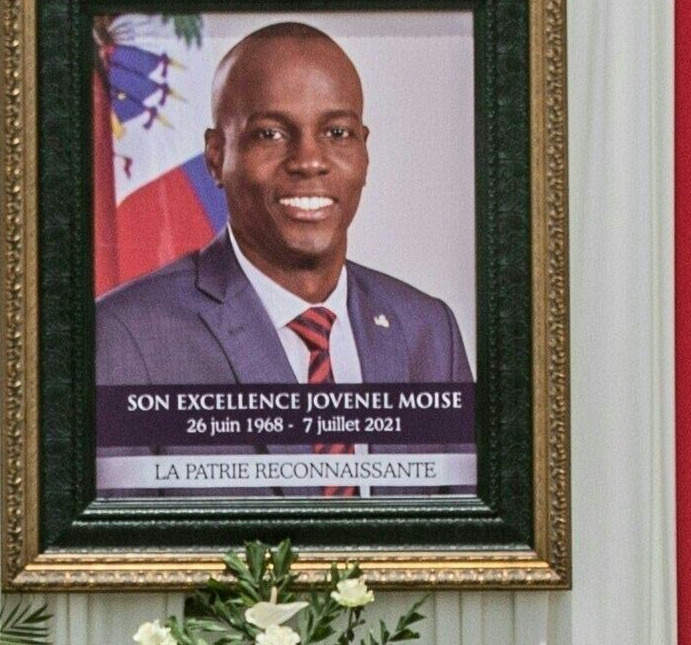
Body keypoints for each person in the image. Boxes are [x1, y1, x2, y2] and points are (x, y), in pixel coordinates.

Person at [94, 21, 472, 389]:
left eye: (337, 133)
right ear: (216, 158)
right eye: (270, 134)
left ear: (364, 151)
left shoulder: (430, 330)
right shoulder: (126, 334)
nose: (308, 161)